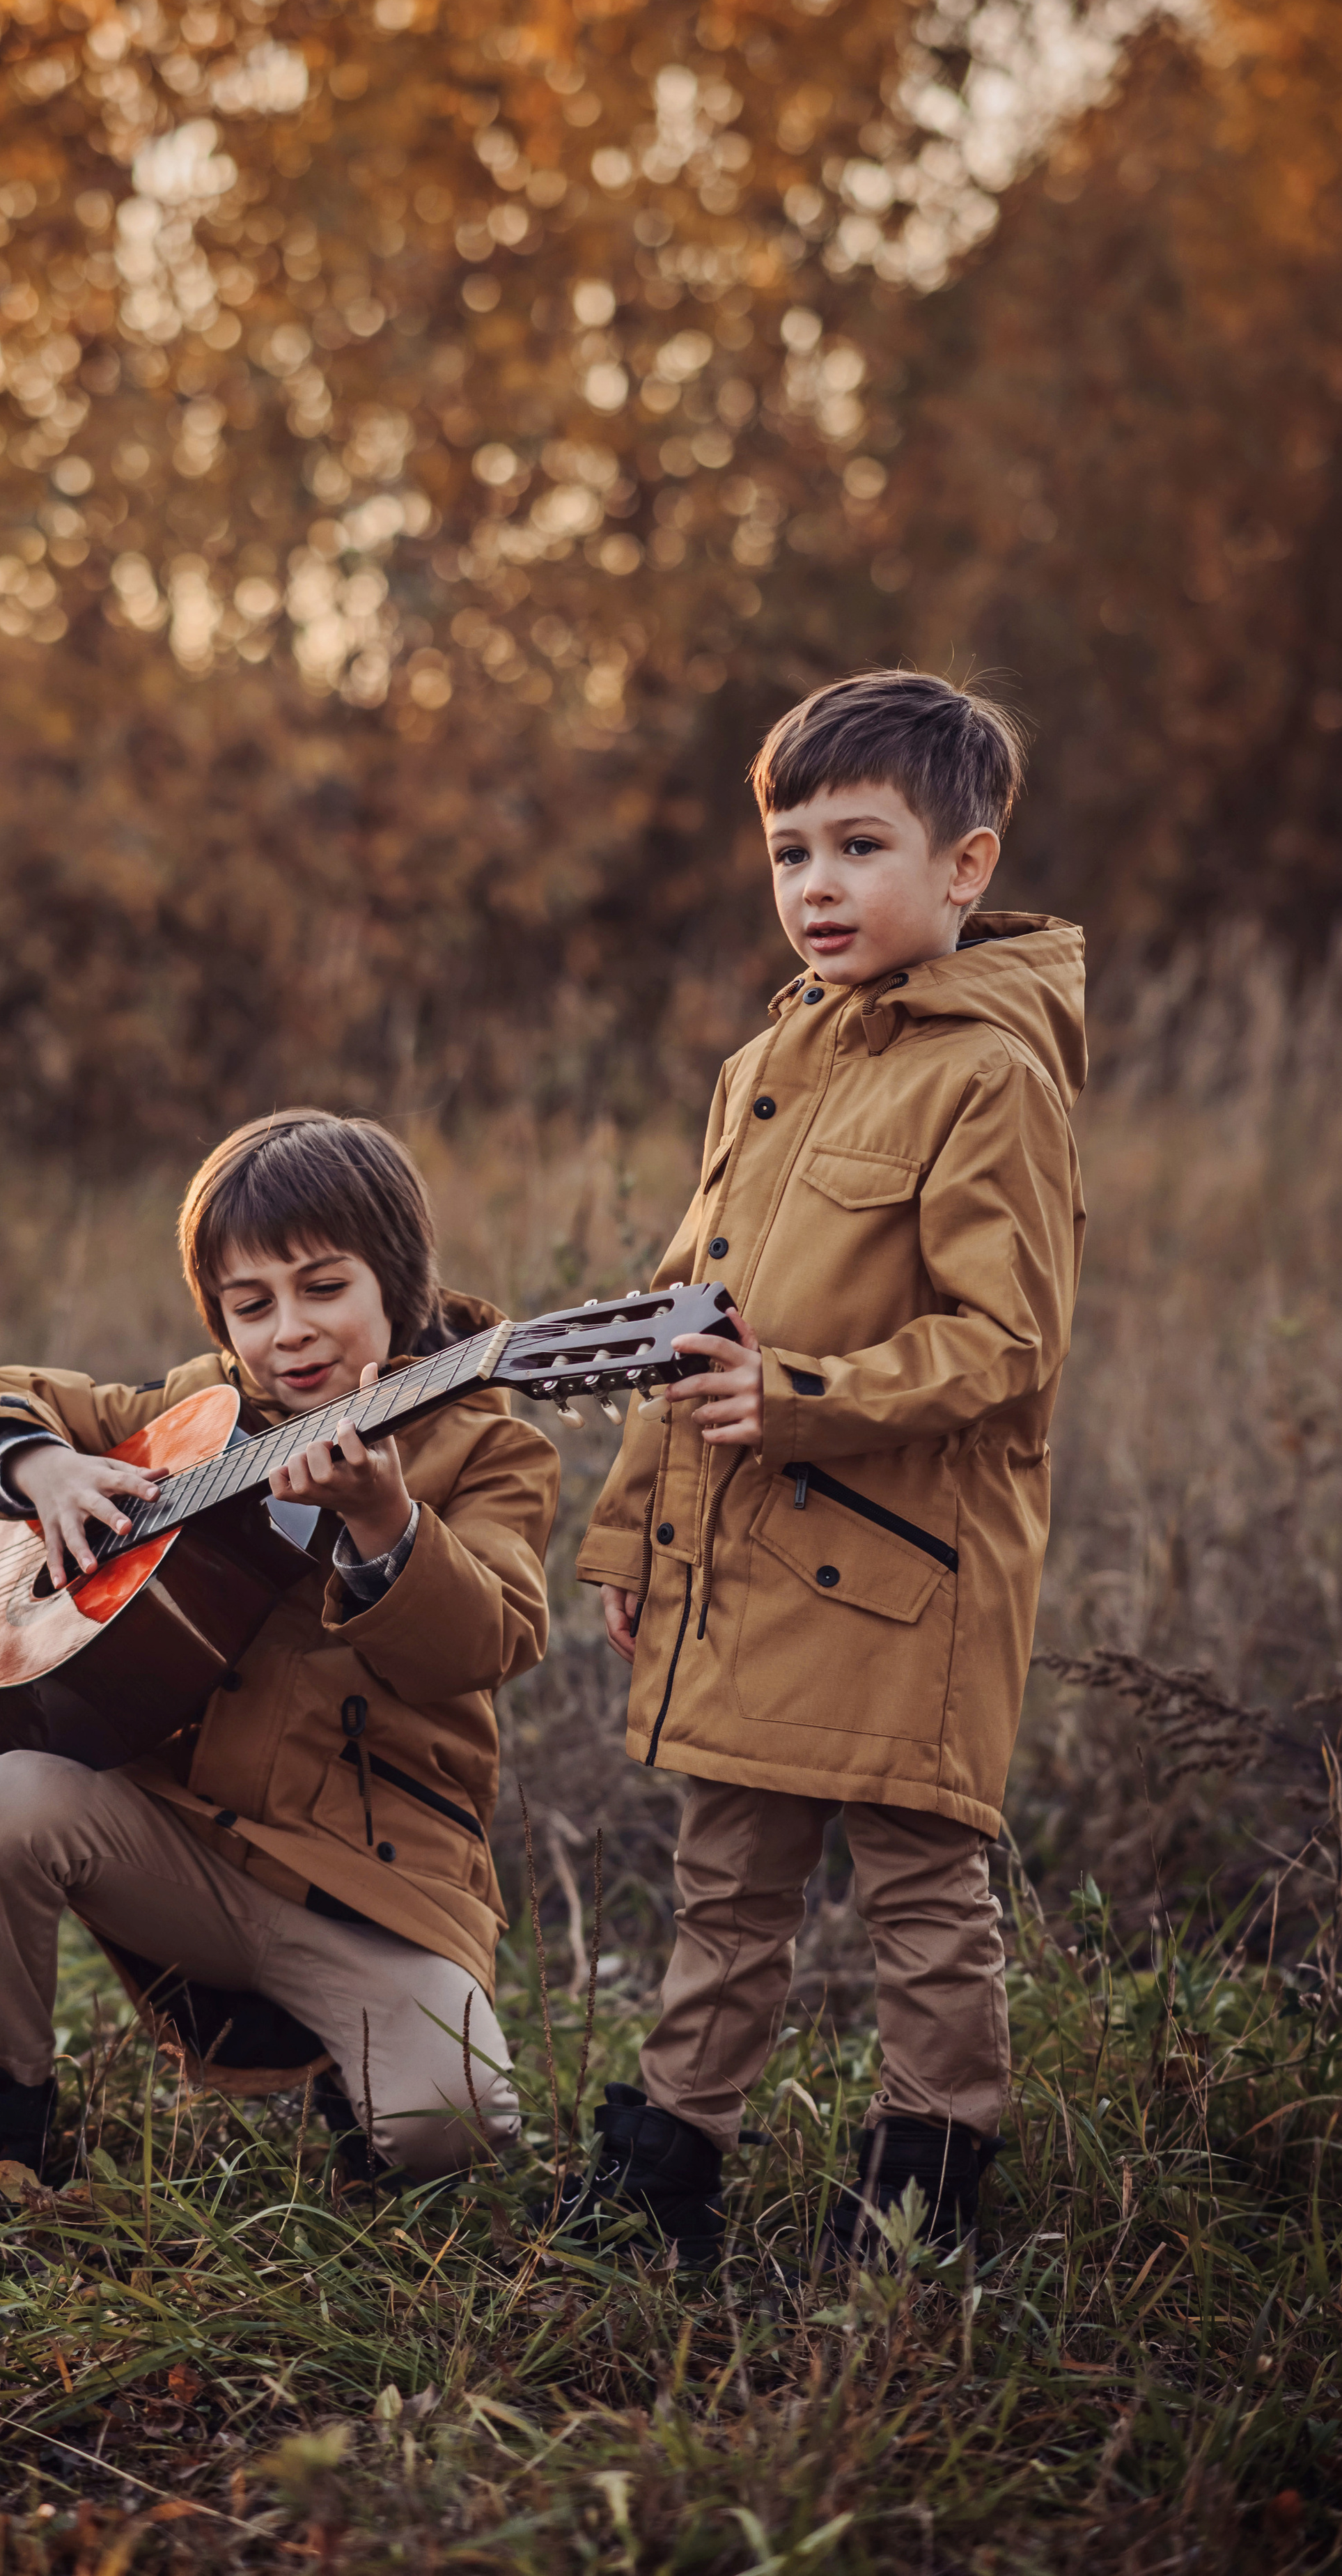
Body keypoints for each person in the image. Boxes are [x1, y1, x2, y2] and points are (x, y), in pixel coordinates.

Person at [572, 670, 1085, 2267]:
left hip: (903, 1577)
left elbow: (1004, 1342)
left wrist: (793, 1395)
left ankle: (927, 2183)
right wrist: (624, 1538)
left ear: (963, 867)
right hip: (747, 1567)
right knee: (723, 1883)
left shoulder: (990, 1075)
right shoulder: (770, 1062)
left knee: (921, 1897)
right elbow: (682, 1320)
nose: (814, 886)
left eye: (857, 846)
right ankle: (664, 2169)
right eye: (789, 851)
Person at [0, 1110, 559, 2243]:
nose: (290, 1330)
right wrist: (44, 1468)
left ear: (400, 1279)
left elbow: (490, 1639)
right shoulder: (200, 1412)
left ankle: (353, 2066)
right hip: (182, 1841)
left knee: (455, 2131)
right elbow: (1, 1391)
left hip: (369, 1883)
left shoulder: (489, 1447)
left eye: (324, 1286)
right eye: (251, 1304)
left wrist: (387, 1520)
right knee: (6, 1798)